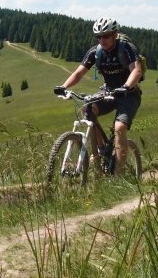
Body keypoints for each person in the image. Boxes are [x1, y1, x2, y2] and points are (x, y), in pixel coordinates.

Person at [55, 17, 144, 173]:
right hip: (108, 91)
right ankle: (102, 149)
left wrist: (126, 86)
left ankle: (116, 173)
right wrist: (63, 86)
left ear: (115, 34)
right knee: (87, 109)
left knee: (120, 127)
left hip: (129, 94)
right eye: (98, 36)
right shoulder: (95, 52)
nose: (102, 40)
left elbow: (136, 70)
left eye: (106, 35)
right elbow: (78, 73)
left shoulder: (126, 48)